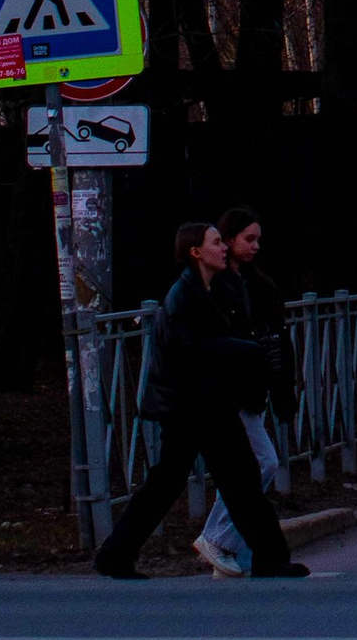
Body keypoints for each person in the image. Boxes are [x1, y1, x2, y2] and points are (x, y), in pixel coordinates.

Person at [93, 222, 308, 580]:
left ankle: (269, 558)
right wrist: (246, 351)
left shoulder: (214, 289)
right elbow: (193, 349)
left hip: (208, 401)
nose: (223, 248)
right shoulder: (183, 296)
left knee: (233, 479)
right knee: (191, 481)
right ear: (196, 252)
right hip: (189, 406)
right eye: (216, 242)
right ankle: (116, 555)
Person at [194, 205, 293, 578]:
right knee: (262, 463)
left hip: (252, 389)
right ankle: (216, 538)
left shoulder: (256, 285)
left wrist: (280, 386)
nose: (255, 246)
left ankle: (230, 554)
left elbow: (275, 339)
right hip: (230, 392)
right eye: (248, 239)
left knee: (242, 470)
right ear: (229, 239)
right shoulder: (216, 287)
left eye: (258, 240)